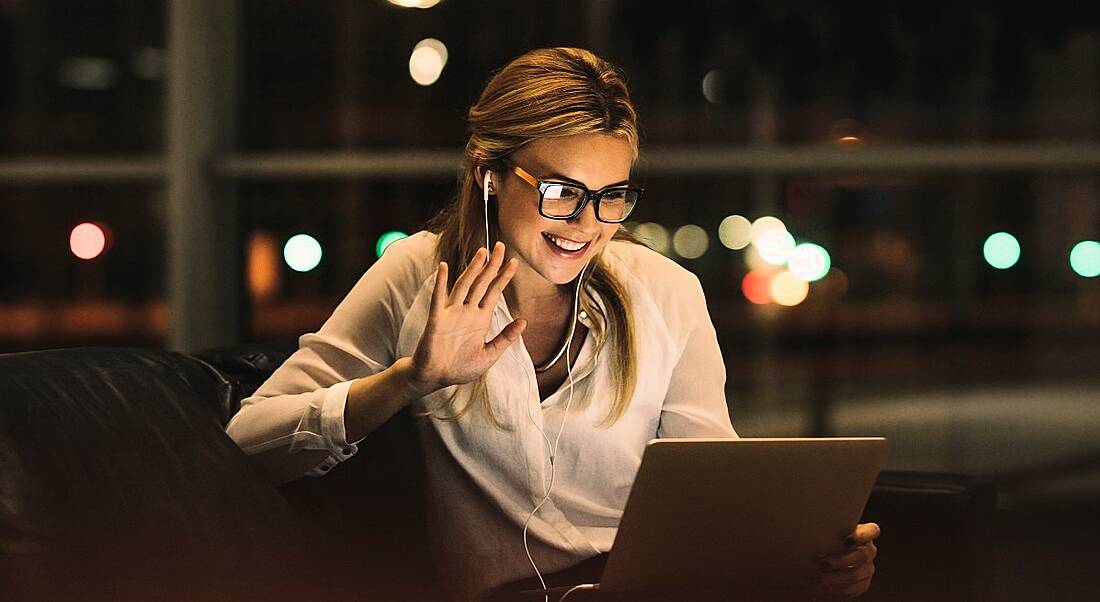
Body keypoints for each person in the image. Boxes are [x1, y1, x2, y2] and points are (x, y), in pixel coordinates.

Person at [226, 47, 879, 601]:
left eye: (612, 196)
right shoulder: (417, 275)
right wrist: (407, 380)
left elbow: (713, 491)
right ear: (489, 176)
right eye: (561, 192)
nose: (587, 224)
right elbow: (250, 443)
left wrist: (812, 558)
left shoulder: (667, 293)